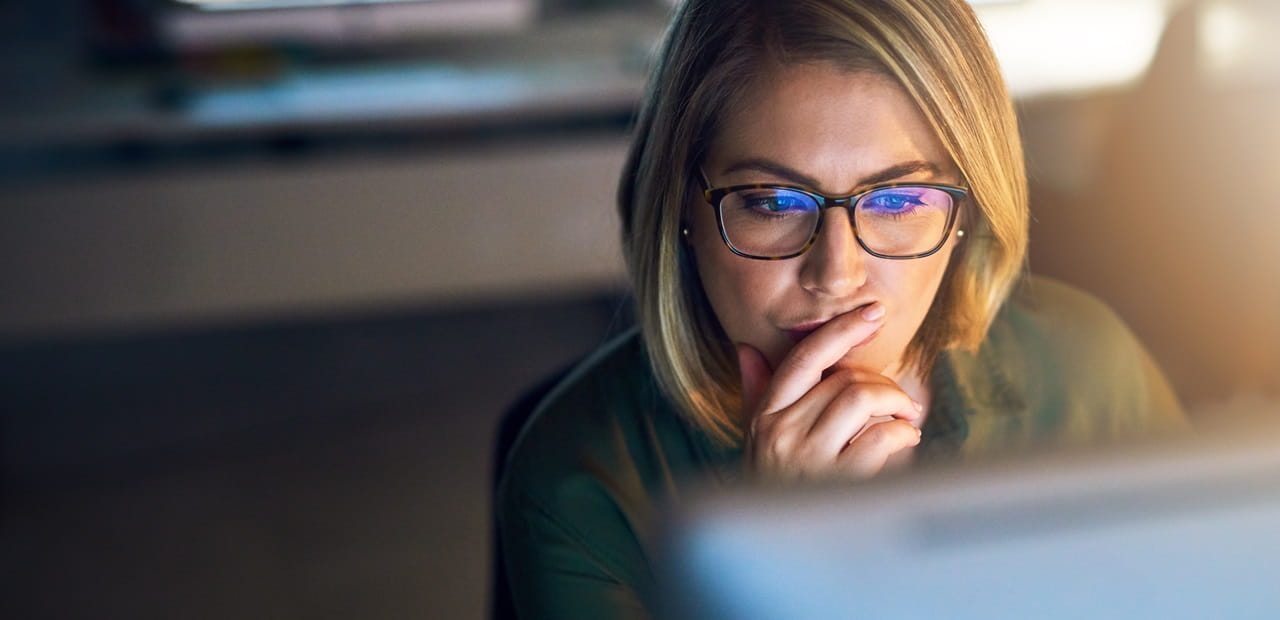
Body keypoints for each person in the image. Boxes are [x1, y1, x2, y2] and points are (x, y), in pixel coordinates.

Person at [495, 0, 1190, 617]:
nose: (836, 275)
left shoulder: (1089, 371)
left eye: (898, 200)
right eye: (772, 202)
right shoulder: (579, 483)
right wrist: (787, 556)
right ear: (681, 207)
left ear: (968, 212)